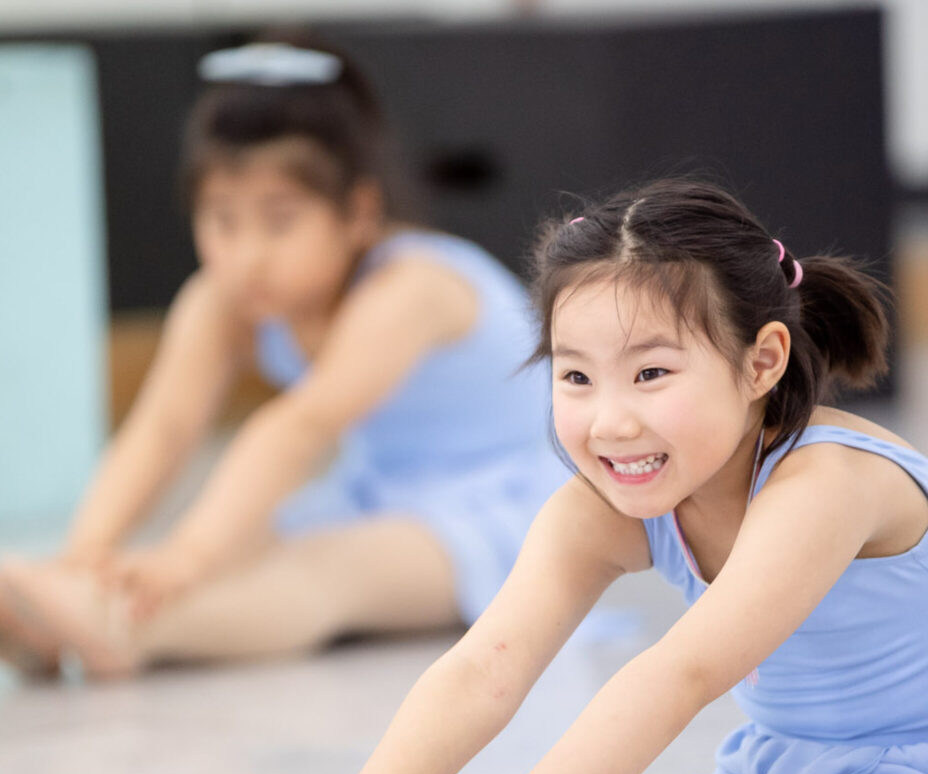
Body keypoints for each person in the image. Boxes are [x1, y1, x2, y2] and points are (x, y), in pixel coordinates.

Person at [136, 179, 928, 774]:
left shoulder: (826, 481)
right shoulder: (606, 502)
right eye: (575, 378)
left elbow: (681, 673)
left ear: (761, 361)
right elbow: (486, 664)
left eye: (651, 375)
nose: (611, 422)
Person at [0, 37, 564, 678]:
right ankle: (74, 608)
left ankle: (125, 626)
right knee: (248, 544)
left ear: (357, 211)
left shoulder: (410, 289)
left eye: (280, 221)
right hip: (382, 489)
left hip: (515, 505)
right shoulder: (224, 301)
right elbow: (161, 430)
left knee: (328, 569)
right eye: (222, 220)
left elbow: (300, 429)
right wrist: (88, 552)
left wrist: (186, 558)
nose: (247, 256)